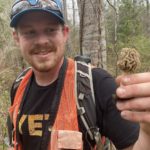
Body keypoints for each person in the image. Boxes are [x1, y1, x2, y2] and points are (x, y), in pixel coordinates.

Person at [8, 0, 150, 150]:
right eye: (30, 32)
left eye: (50, 30)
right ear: (16, 38)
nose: (42, 41)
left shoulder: (98, 84)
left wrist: (147, 134)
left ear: (65, 33)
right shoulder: (18, 87)